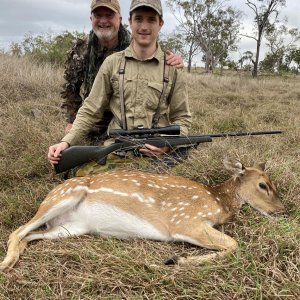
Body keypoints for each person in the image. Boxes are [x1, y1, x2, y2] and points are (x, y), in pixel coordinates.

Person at [48, 0, 192, 173]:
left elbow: (182, 118)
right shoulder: (112, 63)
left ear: (160, 24)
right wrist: (66, 141)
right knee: (80, 177)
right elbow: (90, 109)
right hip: (117, 148)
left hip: (159, 155)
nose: (144, 27)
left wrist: (166, 145)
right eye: (138, 19)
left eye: (151, 20)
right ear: (130, 21)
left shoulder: (173, 68)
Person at [61, 0, 184, 139]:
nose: (103, 21)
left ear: (120, 19)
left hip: (125, 121)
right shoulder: (83, 50)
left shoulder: (137, 42)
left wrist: (169, 64)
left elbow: (149, 43)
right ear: (91, 19)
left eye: (109, 15)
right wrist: (71, 127)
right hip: (99, 119)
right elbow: (75, 93)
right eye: (98, 15)